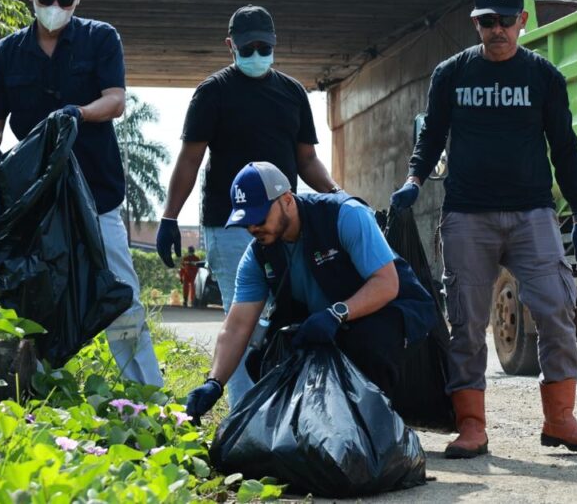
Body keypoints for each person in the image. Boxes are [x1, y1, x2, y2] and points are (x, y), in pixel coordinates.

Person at [391, 0, 577, 458]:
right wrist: (414, 180)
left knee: (556, 309)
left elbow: (565, 147)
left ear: (522, 21)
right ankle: (471, 425)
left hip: (533, 214)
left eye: (506, 19)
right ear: (476, 24)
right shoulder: (451, 74)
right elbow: (432, 136)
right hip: (468, 215)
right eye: (488, 21)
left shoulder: (544, 77)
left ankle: (560, 418)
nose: (498, 29)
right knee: (466, 322)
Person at [0, 0, 163, 387]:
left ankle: (146, 394)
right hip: (36, 204)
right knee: (37, 297)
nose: (54, 6)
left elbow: (115, 100)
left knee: (121, 296)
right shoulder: (7, 53)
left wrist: (79, 112)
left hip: (97, 198)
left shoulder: (101, 39)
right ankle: (39, 387)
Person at [156, 5, 341, 405]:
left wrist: (336, 194)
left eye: (263, 47)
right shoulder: (213, 92)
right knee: (244, 319)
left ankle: (287, 409)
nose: (256, 54)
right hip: (231, 226)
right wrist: (170, 216)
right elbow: (190, 159)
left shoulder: (292, 93)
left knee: (286, 317)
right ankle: (244, 415)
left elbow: (307, 160)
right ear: (230, 46)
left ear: (274, 44)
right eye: (247, 48)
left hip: (284, 225)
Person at [183, 162, 435, 423]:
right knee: (263, 359)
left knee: (366, 343)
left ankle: (374, 428)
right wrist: (214, 383)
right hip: (327, 320)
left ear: (287, 200)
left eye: (259, 217)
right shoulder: (258, 255)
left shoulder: (345, 215)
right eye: (245, 222)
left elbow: (386, 283)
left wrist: (336, 313)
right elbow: (236, 326)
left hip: (389, 310)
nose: (253, 229)